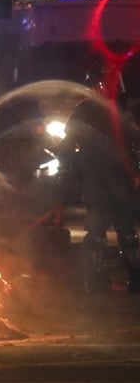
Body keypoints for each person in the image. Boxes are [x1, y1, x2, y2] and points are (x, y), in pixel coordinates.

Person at [58, 91, 140, 292]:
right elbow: (67, 145)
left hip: (111, 180)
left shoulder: (112, 112)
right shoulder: (90, 110)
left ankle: (99, 278)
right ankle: (93, 278)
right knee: (104, 231)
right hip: (102, 180)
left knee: (117, 231)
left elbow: (134, 140)